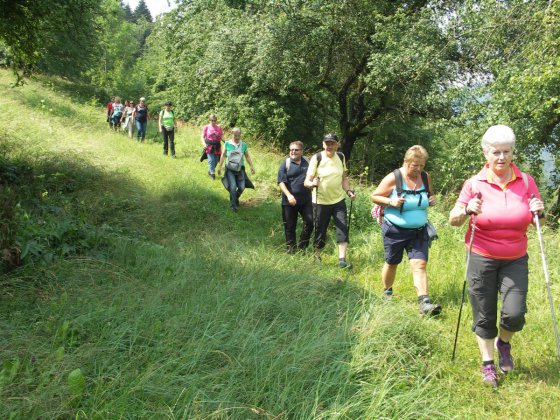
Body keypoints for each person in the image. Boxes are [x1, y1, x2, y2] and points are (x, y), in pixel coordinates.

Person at [448, 125, 545, 388]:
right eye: (496, 152)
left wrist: (539, 210)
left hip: (516, 258)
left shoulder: (526, 181)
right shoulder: (474, 183)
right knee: (484, 313)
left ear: (513, 152)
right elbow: (453, 219)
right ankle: (488, 363)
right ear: (485, 153)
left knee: (514, 313)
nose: (501, 158)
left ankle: (504, 343)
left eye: (506, 152)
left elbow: (537, 218)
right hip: (481, 256)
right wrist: (467, 209)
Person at [370, 145, 440, 315]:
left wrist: (432, 199)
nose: (418, 169)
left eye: (422, 165)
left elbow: (430, 195)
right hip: (395, 229)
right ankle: (387, 292)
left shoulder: (425, 177)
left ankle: (424, 303)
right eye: (414, 165)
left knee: (420, 264)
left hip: (419, 230)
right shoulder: (394, 177)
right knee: (392, 262)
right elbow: (374, 196)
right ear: (406, 161)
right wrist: (390, 202)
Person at [304, 133, 355, 269]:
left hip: (338, 200)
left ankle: (342, 260)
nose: (329, 146)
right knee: (320, 230)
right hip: (320, 201)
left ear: (337, 145)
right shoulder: (317, 158)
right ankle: (317, 256)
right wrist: (312, 183)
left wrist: (348, 191)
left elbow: (344, 178)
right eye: (327, 143)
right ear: (323, 144)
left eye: (332, 143)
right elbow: (306, 182)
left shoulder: (341, 157)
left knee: (342, 229)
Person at [277, 141, 313, 253]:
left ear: (301, 151)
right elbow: (281, 182)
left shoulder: (308, 162)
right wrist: (289, 195)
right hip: (289, 201)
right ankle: (291, 250)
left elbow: (314, 175)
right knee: (290, 226)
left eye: (296, 150)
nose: (293, 152)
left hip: (306, 200)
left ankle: (303, 247)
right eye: (291, 149)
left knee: (311, 221)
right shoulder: (285, 164)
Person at [217, 127, 255, 212]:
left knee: (241, 187)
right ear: (232, 134)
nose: (237, 138)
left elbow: (247, 156)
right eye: (235, 136)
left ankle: (235, 197)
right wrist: (220, 166)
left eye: (238, 135)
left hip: (240, 169)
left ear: (240, 135)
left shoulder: (243, 145)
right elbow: (223, 155)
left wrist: (251, 166)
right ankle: (233, 206)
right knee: (233, 186)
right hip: (230, 169)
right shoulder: (227, 144)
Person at [201, 114, 223, 180]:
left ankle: (210, 171)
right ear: (209, 120)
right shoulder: (206, 127)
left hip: (217, 146)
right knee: (211, 160)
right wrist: (204, 144)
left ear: (216, 121)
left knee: (216, 161)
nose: (213, 122)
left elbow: (221, 136)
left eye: (214, 120)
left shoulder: (219, 128)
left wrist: (226, 142)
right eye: (212, 120)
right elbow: (202, 137)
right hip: (209, 146)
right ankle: (213, 174)